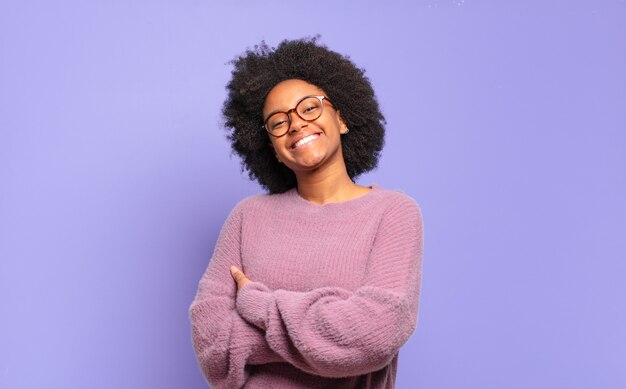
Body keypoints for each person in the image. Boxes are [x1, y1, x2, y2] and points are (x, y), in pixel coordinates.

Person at [189, 37, 424, 389]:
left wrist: (258, 305)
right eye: (278, 122)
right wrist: (320, 331)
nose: (296, 124)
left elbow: (376, 333)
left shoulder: (393, 212)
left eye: (309, 108)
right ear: (273, 149)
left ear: (342, 119)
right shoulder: (247, 217)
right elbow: (211, 343)